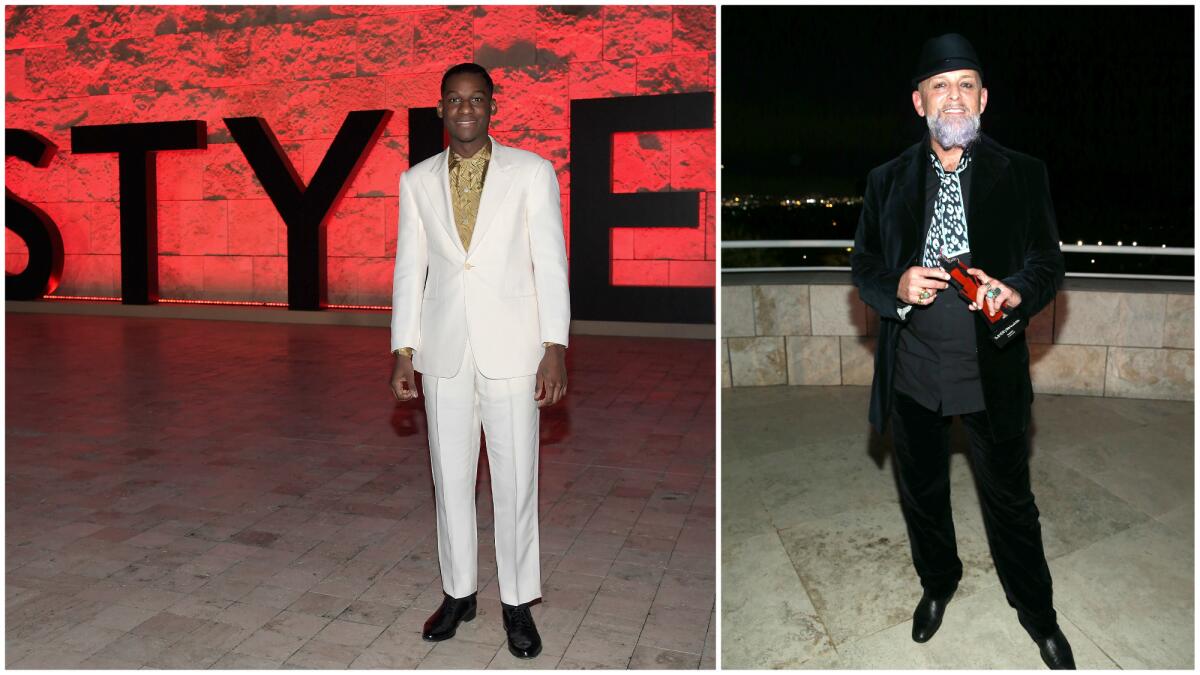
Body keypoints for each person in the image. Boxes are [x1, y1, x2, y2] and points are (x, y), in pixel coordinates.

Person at [850, 34, 1073, 669]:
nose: (955, 95)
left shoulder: (1022, 173)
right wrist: (894, 284)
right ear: (919, 103)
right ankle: (938, 585)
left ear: (984, 98)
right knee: (921, 494)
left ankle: (1039, 614)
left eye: (966, 84)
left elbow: (1047, 263)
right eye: (941, 86)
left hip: (990, 369)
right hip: (913, 371)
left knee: (1010, 501)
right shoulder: (886, 181)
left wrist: (1017, 290)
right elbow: (864, 266)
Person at [388, 62, 570, 659]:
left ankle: (518, 603)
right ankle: (459, 593)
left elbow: (551, 265)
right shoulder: (415, 181)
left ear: (493, 106)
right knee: (450, 479)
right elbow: (409, 272)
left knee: (517, 482)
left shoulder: (532, 173)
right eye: (454, 100)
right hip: (443, 353)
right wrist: (402, 351)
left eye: (476, 99)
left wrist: (555, 348)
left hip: (515, 349)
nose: (465, 109)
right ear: (440, 109)